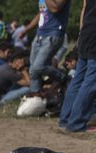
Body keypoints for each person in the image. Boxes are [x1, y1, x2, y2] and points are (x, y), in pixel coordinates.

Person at [58, 0, 96, 133]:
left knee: (78, 78)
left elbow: (85, 7)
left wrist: (82, 33)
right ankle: (76, 123)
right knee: (91, 81)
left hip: (86, 31)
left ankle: (66, 120)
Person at [19, 0, 71, 93]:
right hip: (39, 36)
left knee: (38, 67)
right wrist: (26, 30)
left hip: (53, 35)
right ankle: (36, 97)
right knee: (33, 71)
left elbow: (55, 8)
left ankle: (64, 79)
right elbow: (42, 13)